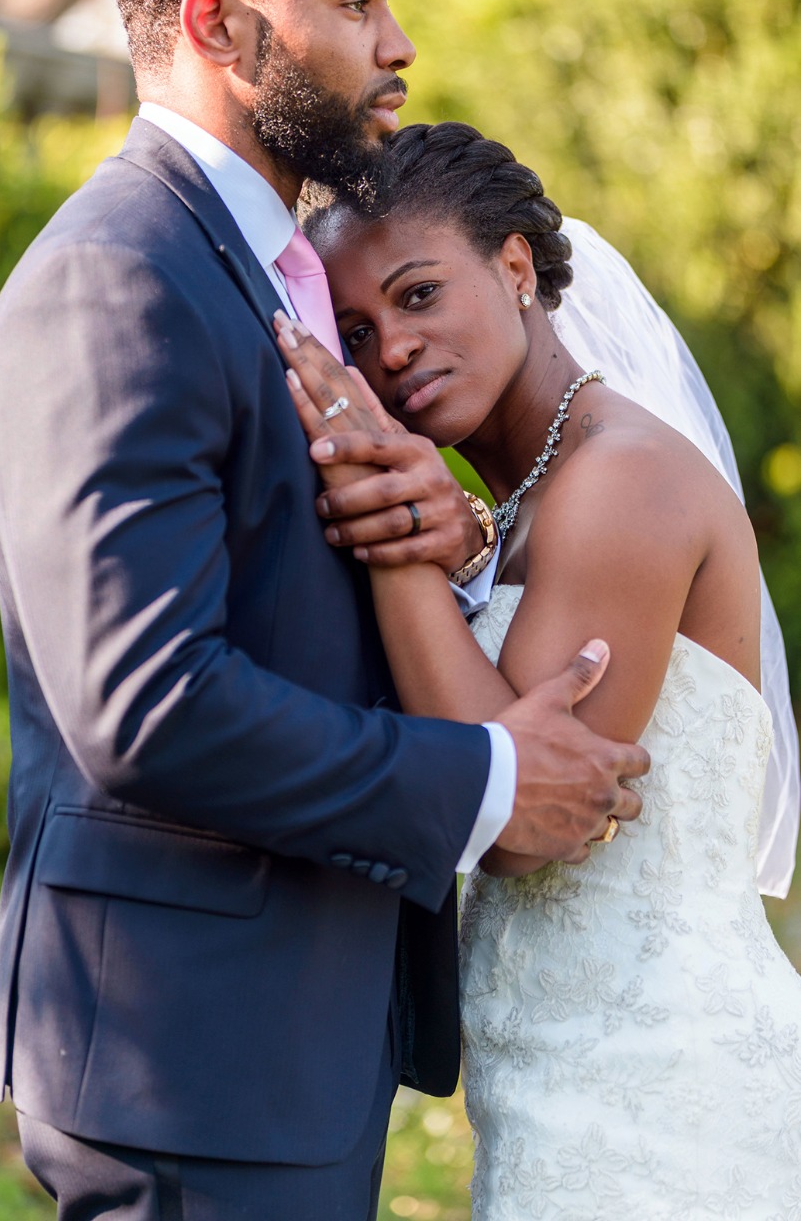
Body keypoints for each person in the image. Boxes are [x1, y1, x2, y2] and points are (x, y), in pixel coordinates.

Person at [0, 0, 649, 1221]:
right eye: (353, 1)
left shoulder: (269, 269)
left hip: (277, 1049)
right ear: (220, 25)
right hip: (185, 1057)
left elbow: (286, 573)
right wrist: (487, 783)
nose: (395, 47)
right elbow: (146, 700)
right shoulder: (116, 279)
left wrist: (446, 538)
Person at [279, 120, 801, 1217]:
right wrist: (455, 541)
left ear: (517, 267)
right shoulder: (528, 503)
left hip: (665, 1101)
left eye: (420, 296)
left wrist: (390, 532)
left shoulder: (622, 479)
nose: (392, 353)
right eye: (359, 331)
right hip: (566, 1083)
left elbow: (520, 827)